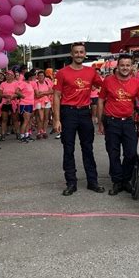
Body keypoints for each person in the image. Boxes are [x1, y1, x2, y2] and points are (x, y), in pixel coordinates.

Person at [98, 53, 139, 196]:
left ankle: (126, 180)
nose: (125, 68)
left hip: (129, 122)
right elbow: (100, 100)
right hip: (112, 122)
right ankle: (117, 182)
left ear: (132, 67)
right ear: (117, 66)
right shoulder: (108, 81)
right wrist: (100, 121)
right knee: (113, 153)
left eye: (128, 65)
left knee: (131, 154)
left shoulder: (136, 83)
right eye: (122, 65)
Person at [53, 42, 105, 196]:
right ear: (71, 54)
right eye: (76, 52)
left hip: (85, 113)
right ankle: (71, 183)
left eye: (81, 52)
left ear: (85, 53)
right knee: (68, 149)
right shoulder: (62, 73)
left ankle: (92, 181)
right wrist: (57, 119)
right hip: (68, 113)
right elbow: (56, 96)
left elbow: (105, 86)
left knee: (87, 148)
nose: (79, 55)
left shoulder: (91, 72)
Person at [0, 70, 19, 140]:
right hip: (5, 103)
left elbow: (18, 93)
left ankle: (17, 133)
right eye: (7, 75)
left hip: (13, 103)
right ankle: (3, 134)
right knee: (4, 119)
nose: (8, 76)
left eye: (9, 75)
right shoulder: (3, 84)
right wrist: (6, 96)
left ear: (13, 76)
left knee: (15, 119)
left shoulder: (16, 83)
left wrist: (12, 97)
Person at [17, 71, 37, 142]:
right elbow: (17, 91)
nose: (33, 78)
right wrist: (22, 96)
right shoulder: (23, 83)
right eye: (32, 76)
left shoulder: (30, 83)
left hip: (30, 104)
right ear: (29, 77)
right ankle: (22, 137)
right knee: (26, 121)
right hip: (25, 104)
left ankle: (27, 135)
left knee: (28, 121)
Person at [34, 70, 53, 139]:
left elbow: (51, 91)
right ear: (37, 77)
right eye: (39, 76)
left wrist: (42, 93)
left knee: (46, 117)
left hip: (47, 101)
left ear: (44, 77)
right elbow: (37, 95)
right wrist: (46, 93)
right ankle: (39, 131)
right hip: (38, 102)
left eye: (42, 75)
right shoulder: (35, 83)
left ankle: (44, 131)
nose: (41, 77)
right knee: (40, 118)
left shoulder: (47, 82)